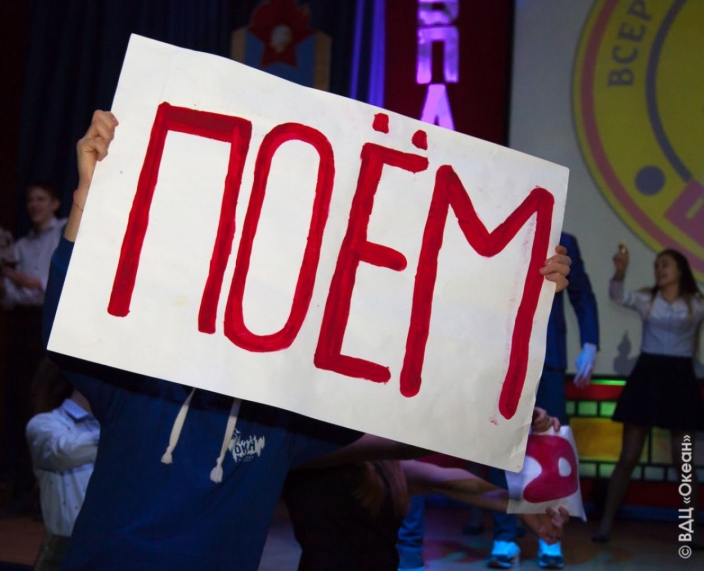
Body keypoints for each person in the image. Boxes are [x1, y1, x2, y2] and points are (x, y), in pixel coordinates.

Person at [44, 110, 573, 570]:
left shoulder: (280, 426)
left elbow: (414, 425)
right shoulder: (137, 387)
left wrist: (517, 290)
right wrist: (85, 199)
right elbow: (68, 324)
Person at [396, 231, 598, 570]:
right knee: (504, 445)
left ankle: (550, 538)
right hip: (498, 353)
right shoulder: (492, 228)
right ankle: (505, 536)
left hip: (547, 354)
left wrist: (590, 342)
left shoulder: (563, 237)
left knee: (550, 442)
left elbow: (582, 294)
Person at [284, 409, 564, 571]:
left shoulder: (382, 464)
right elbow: (404, 446)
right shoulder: (307, 446)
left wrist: (522, 506)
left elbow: (447, 482)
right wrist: (507, 422)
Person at [592, 246, 704, 544]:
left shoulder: (696, 303)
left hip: (681, 378)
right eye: (657, 266)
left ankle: (690, 531)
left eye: (665, 265)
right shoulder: (647, 299)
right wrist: (620, 271)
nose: (659, 270)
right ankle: (605, 525)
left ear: (680, 270)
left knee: (684, 461)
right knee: (628, 456)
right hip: (647, 375)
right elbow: (618, 295)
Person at [0, 180, 67, 517]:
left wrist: (29, 281)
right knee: (23, 402)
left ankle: (50, 494)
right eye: (30, 200)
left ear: (55, 203)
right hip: (23, 326)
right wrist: (0, 284)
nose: (34, 205)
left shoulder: (64, 232)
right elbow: (10, 300)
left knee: (49, 400)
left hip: (52, 325)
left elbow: (60, 281)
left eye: (40, 199)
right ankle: (23, 489)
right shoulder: (20, 245)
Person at [26, 358, 100, 571]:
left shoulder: (111, 428)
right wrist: (122, 432)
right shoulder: (45, 424)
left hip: (107, 548)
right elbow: (62, 451)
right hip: (61, 555)